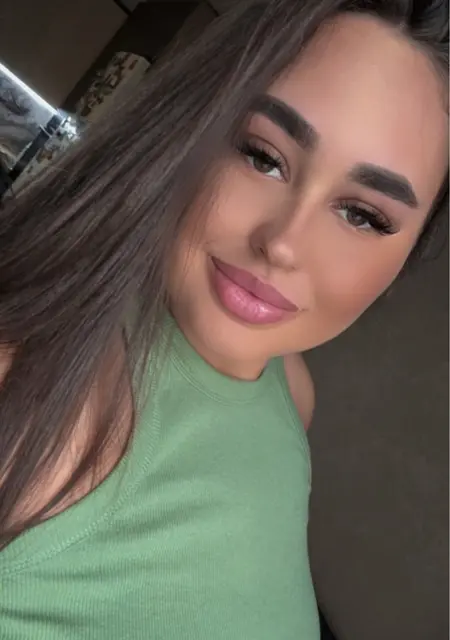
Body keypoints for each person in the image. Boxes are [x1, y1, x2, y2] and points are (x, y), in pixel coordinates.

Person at [0, 0, 448, 638]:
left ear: (403, 260)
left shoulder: (291, 393)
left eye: (363, 215)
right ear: (191, 131)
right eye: (263, 156)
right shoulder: (32, 382)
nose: (283, 242)